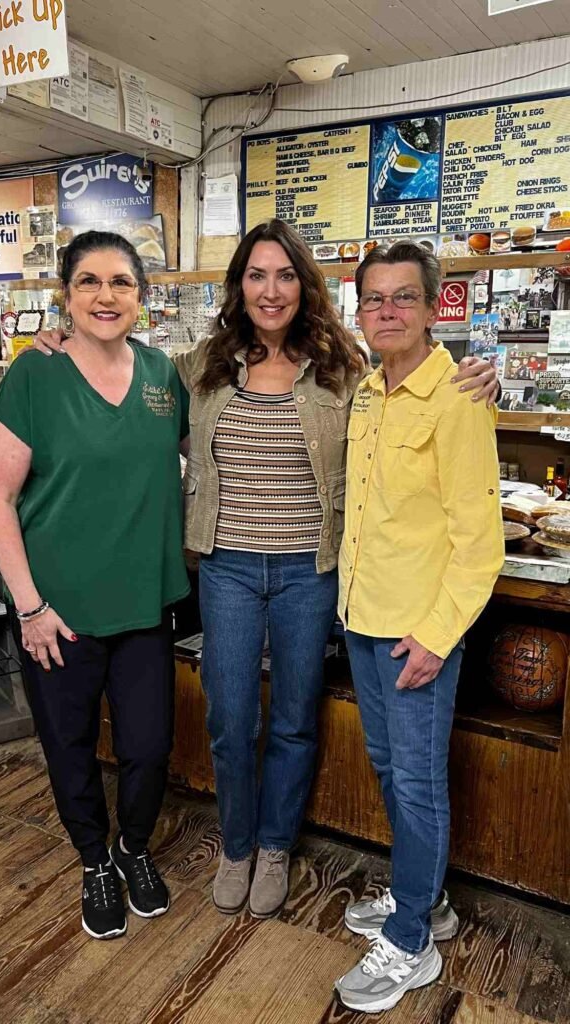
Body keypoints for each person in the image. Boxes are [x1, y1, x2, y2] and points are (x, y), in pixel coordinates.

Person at [31, 220, 499, 922]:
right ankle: (238, 845)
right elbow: (122, 361)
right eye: (256, 275)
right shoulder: (203, 366)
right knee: (229, 716)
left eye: (284, 275)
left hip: (311, 571)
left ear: (303, 286)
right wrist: (56, 337)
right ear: (239, 286)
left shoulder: (342, 369)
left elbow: (412, 380)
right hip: (227, 570)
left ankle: (277, 846)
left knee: (293, 719)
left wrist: (475, 372)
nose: (270, 290)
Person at [0, 231, 190, 941]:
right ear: (65, 295)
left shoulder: (164, 375)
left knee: (149, 747)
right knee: (69, 746)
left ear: (142, 296)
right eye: (90, 282)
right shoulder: (33, 377)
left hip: (142, 607)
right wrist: (29, 606)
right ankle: (93, 860)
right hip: (56, 614)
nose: (107, 296)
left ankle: (132, 848)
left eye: (122, 282)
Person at [334, 241, 504, 1014]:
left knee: (419, 783)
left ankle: (410, 942)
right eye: (374, 299)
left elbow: (481, 542)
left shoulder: (460, 397)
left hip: (417, 634)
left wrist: (438, 635)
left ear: (434, 308)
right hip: (364, 618)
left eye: (404, 298)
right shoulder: (368, 390)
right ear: (360, 311)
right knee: (390, 768)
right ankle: (426, 901)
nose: (388, 311)